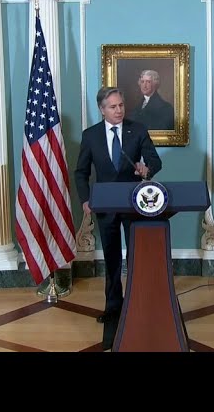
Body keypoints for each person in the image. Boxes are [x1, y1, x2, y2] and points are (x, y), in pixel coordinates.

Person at [75, 87, 162, 328]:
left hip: (134, 204)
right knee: (112, 259)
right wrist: (85, 199)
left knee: (136, 257)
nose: (119, 110)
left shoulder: (138, 130)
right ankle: (113, 307)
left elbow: (155, 160)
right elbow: (81, 172)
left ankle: (138, 304)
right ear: (102, 110)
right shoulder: (90, 136)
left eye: (121, 105)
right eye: (113, 107)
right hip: (105, 206)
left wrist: (147, 169)